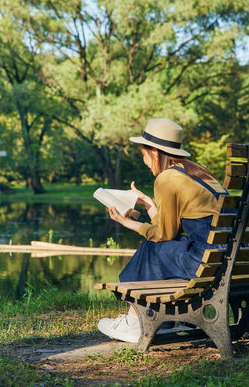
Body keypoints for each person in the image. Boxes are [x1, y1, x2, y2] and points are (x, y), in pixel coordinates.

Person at [97, 117, 228, 343]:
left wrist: (127, 222)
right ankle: (162, 318)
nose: (146, 163)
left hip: (207, 260)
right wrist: (150, 205)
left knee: (151, 248)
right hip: (230, 254)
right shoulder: (198, 173)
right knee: (166, 246)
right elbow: (171, 232)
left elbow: (163, 236)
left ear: (155, 153)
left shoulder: (167, 178)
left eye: (144, 156)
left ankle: (134, 321)